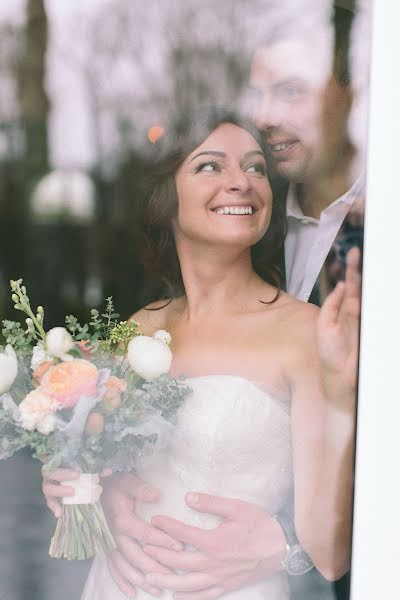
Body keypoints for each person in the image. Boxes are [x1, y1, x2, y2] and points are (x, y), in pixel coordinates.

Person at [43, 109, 360, 599]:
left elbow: (331, 553)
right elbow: (88, 474)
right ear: (165, 199)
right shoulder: (133, 331)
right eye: (211, 166)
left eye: (256, 168)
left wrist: (284, 547)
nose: (242, 182)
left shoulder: (305, 333)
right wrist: (78, 492)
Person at [249, 5, 364, 306]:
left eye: (289, 91)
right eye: (257, 95)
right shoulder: (249, 220)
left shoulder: (384, 216)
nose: (263, 117)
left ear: (343, 100)